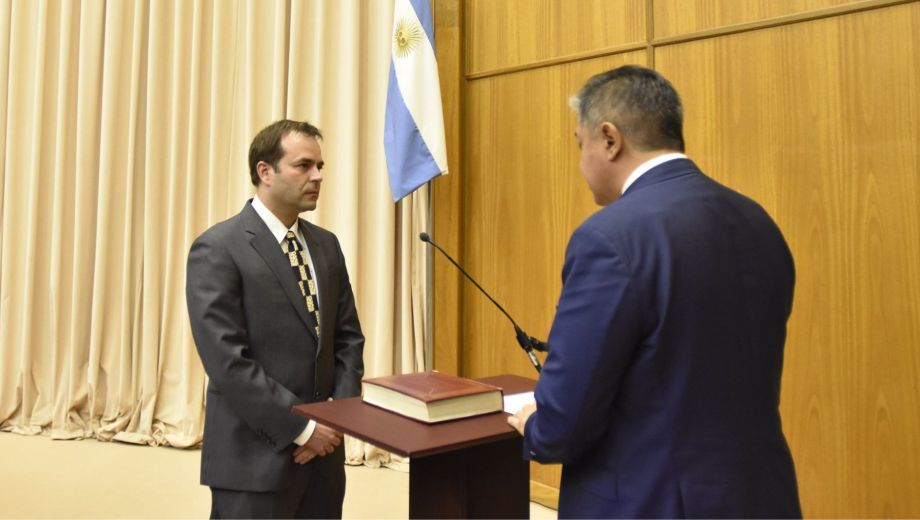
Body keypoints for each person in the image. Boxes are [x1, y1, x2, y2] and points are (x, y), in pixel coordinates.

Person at [508, 66, 802, 518]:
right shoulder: (758, 222)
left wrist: (536, 424)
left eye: (579, 143)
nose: (581, 160)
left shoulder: (608, 238)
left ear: (609, 139)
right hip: (764, 496)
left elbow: (565, 424)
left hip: (653, 503)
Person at [186, 119, 364, 518]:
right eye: (304, 166)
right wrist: (303, 428)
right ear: (265, 172)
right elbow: (227, 361)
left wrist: (337, 419)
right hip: (254, 460)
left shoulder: (327, 245)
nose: (317, 176)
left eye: (320, 166)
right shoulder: (218, 248)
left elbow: (348, 339)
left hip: (324, 460)